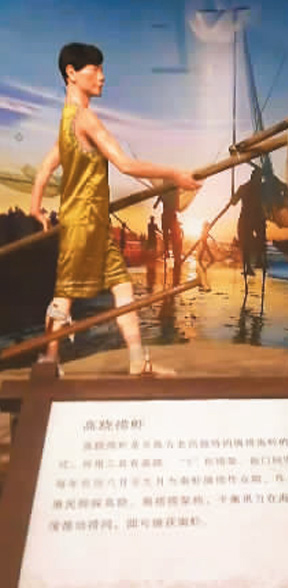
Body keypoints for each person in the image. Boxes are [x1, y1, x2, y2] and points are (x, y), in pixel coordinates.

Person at [30, 42, 201, 374]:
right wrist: (175, 174)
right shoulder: (84, 119)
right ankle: (48, 362)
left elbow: (44, 169)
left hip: (93, 223)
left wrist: (36, 208)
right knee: (64, 295)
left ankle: (137, 361)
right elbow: (125, 164)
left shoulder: (66, 121)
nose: (102, 77)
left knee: (122, 287)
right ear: (71, 73)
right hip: (83, 223)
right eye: (95, 69)